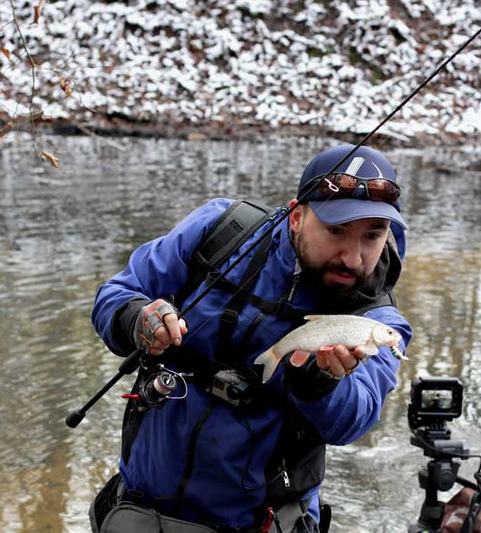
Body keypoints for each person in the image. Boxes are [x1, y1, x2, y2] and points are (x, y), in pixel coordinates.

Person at [90, 144, 413, 532]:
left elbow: (353, 419)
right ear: (296, 216)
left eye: (372, 236)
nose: (352, 256)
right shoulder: (222, 230)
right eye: (336, 231)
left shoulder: (378, 321)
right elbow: (117, 292)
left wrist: (320, 383)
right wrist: (136, 320)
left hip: (258, 522)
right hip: (140, 509)